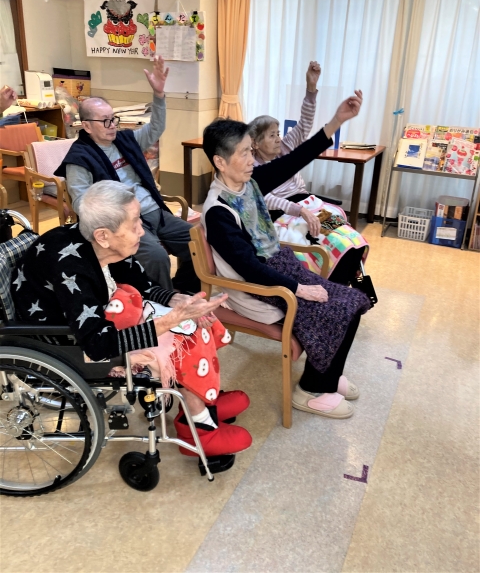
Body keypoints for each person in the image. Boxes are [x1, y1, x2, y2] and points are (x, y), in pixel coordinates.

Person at [11, 181, 251, 465]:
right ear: (103, 235)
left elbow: (142, 283)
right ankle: (198, 428)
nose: (142, 230)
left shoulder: (101, 244)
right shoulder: (70, 267)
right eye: (135, 222)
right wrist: (168, 321)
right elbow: (98, 345)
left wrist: (175, 299)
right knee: (179, 337)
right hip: (67, 341)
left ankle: (202, 398)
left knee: (197, 323)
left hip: (101, 314)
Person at [202, 91, 371, 419]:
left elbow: (295, 159)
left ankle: (327, 375)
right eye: (243, 153)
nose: (251, 159)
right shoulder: (218, 211)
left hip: (279, 268)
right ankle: (311, 390)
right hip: (259, 288)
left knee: (352, 301)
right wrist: (299, 289)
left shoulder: (248, 183)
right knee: (342, 308)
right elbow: (249, 269)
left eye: (251, 151)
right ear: (220, 162)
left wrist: (336, 121)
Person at [55, 55, 199, 294]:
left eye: (113, 119)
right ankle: (162, 303)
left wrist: (159, 95)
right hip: (124, 221)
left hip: (156, 211)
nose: (112, 125)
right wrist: (114, 213)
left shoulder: (125, 140)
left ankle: (183, 290)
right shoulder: (79, 158)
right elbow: (81, 203)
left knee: (200, 242)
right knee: (157, 257)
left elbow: (156, 128)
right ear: (87, 126)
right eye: (105, 121)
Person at [249, 62, 368, 286]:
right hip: (284, 212)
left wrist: (311, 89)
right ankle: (330, 287)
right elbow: (265, 199)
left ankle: (344, 286)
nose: (278, 139)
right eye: (271, 135)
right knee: (327, 241)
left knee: (349, 239)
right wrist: (300, 210)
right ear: (255, 143)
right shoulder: (252, 166)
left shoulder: (285, 147)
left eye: (278, 133)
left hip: (306, 203)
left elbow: (304, 124)